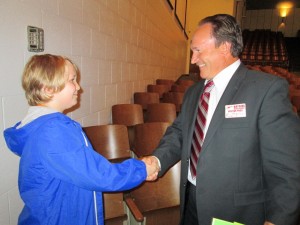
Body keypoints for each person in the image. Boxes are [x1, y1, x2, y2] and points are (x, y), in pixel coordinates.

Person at [144, 14, 300, 225]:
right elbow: (179, 133)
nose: (192, 59)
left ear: (225, 47)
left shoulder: (266, 90)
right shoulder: (194, 92)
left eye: (198, 50)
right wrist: (157, 160)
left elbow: (286, 168)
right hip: (190, 202)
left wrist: (277, 220)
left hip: (236, 213)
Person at [3, 54, 157, 225]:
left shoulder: (42, 127)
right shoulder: (53, 130)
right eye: (72, 80)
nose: (78, 87)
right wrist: (142, 169)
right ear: (47, 87)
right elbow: (99, 175)